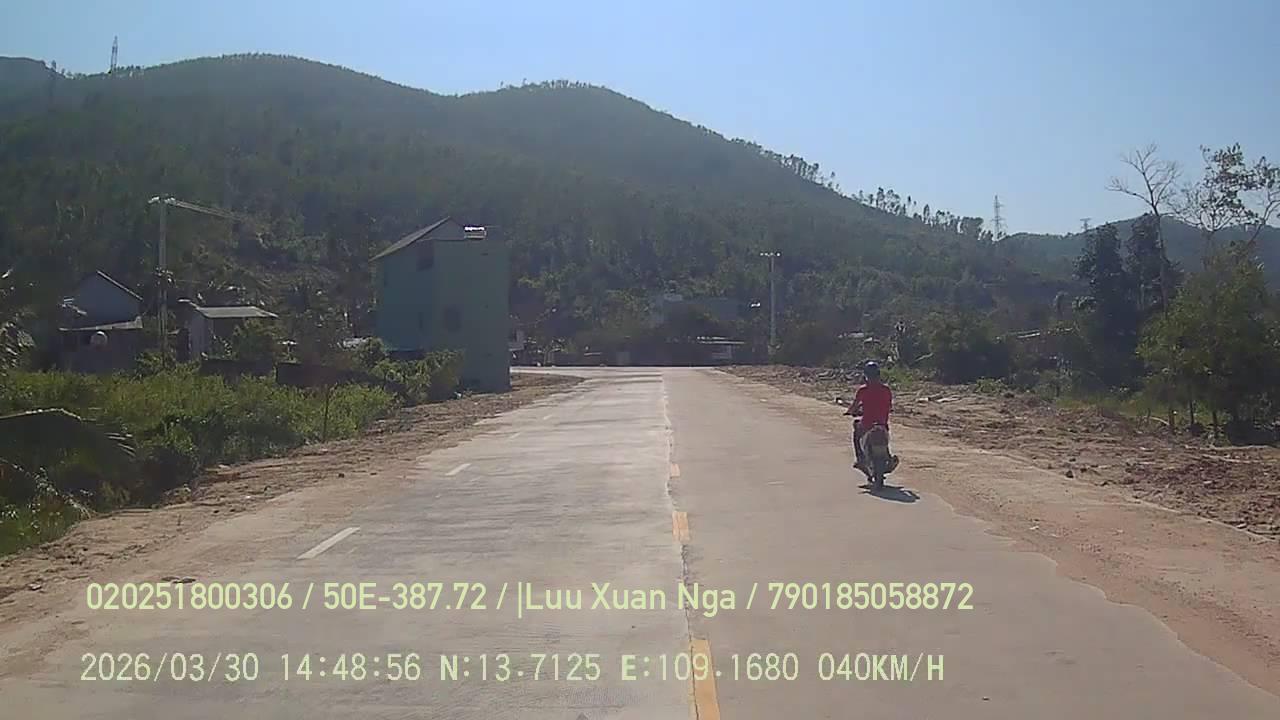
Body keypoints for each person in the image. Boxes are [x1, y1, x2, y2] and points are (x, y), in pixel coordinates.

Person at [845, 360, 897, 476]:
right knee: (884, 437)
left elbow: (854, 406)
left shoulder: (863, 390)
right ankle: (888, 456)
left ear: (866, 376)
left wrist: (850, 411)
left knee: (856, 431)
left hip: (867, 424)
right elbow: (889, 406)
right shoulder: (886, 390)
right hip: (882, 423)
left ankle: (860, 458)